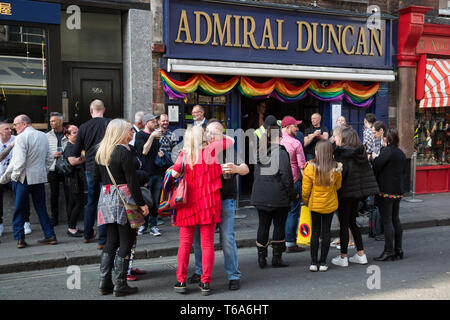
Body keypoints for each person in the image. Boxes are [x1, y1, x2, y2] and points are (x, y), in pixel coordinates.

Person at [172, 125, 234, 296]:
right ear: (203, 137)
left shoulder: (184, 154)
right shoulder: (212, 150)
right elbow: (231, 140)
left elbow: (174, 175)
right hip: (208, 203)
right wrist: (213, 137)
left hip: (188, 204)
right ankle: (205, 282)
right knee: (207, 244)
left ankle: (181, 280)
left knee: (185, 244)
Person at [187, 120, 248, 291]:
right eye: (208, 132)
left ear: (222, 134)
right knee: (199, 239)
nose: (210, 136)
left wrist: (234, 168)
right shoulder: (201, 149)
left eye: (214, 133)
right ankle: (200, 272)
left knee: (226, 238)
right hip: (204, 201)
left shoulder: (228, 150)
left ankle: (233, 275)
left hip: (224, 198)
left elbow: (245, 169)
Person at [95, 119, 150, 297]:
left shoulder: (102, 151)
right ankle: (120, 284)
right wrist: (142, 204)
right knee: (127, 240)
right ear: (119, 132)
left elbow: (96, 177)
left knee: (111, 239)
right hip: (124, 199)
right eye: (128, 130)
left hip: (106, 197)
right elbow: (133, 182)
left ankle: (105, 283)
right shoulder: (123, 152)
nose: (132, 132)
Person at [0, 115, 56, 248]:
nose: (14, 128)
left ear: (24, 124)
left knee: (20, 208)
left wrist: (14, 177)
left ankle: (20, 239)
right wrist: (43, 172)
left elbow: (19, 162)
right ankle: (50, 235)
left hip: (22, 179)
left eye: (15, 124)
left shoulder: (21, 138)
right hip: (38, 178)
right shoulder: (43, 136)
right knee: (41, 208)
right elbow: (49, 158)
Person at [251, 117, 296, 269]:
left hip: (260, 195)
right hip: (278, 196)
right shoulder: (281, 153)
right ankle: (277, 258)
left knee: (263, 226)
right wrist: (292, 194)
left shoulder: (260, 153)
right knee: (278, 226)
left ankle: (261, 258)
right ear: (280, 136)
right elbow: (287, 177)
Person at [331, 127, 379, 267]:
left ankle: (343, 257)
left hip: (344, 193)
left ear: (344, 138)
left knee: (344, 225)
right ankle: (361, 254)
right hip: (357, 193)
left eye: (337, 137)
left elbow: (341, 175)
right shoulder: (360, 153)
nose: (335, 139)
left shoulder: (342, 154)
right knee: (353, 222)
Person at [69, 99, 110, 249]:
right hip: (107, 168)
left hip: (91, 169)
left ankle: (87, 235)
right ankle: (102, 239)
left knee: (91, 202)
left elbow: (75, 153)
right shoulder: (110, 124)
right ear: (103, 109)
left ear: (91, 111)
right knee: (105, 204)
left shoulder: (84, 127)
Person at [302, 140, 342, 272]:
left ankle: (314, 263)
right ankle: (323, 263)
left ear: (318, 152)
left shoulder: (310, 166)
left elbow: (306, 190)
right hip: (329, 204)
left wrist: (307, 202)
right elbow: (338, 186)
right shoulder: (336, 167)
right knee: (326, 233)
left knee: (315, 232)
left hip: (315, 204)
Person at [372, 128, 406, 261]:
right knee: (395, 218)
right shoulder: (400, 153)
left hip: (386, 190)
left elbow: (377, 166)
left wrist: (375, 158)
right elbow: (403, 172)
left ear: (386, 139)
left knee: (387, 221)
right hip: (397, 190)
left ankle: (389, 250)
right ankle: (399, 249)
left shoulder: (387, 151)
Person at [134, 113, 164, 236]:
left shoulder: (157, 135)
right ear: (146, 123)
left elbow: (154, 151)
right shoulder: (140, 135)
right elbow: (144, 151)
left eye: (156, 121)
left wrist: (161, 153)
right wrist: (151, 137)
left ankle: (153, 225)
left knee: (155, 201)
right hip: (146, 173)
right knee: (146, 199)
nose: (156, 124)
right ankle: (143, 225)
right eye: (153, 122)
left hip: (157, 172)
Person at [280, 116, 306, 253]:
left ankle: (279, 241)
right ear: (288, 127)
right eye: (295, 126)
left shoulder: (276, 141)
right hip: (293, 181)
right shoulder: (296, 143)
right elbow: (302, 167)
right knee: (292, 212)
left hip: (278, 182)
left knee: (280, 212)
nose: (297, 128)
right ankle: (290, 243)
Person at [0, 122, 32, 236]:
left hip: (15, 175)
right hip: (1, 177)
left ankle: (26, 221)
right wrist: (10, 146)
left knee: (22, 193)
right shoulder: (12, 142)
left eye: (10, 128)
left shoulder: (18, 139)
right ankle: (0, 224)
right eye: (6, 129)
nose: (10, 130)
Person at [46, 112, 69, 226]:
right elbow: (43, 153)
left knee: (69, 194)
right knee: (53, 195)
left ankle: (70, 219)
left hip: (67, 168)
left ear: (60, 121)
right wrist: (52, 155)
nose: (51, 123)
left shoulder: (69, 133)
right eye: (50, 121)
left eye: (54, 121)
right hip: (53, 168)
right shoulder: (47, 136)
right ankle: (54, 219)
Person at [64, 125, 85, 237]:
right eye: (74, 133)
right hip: (73, 180)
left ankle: (72, 227)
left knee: (74, 203)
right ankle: (71, 228)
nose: (77, 134)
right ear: (67, 135)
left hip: (77, 179)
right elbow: (72, 161)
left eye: (78, 132)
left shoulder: (76, 145)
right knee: (79, 203)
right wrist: (85, 157)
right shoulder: (69, 147)